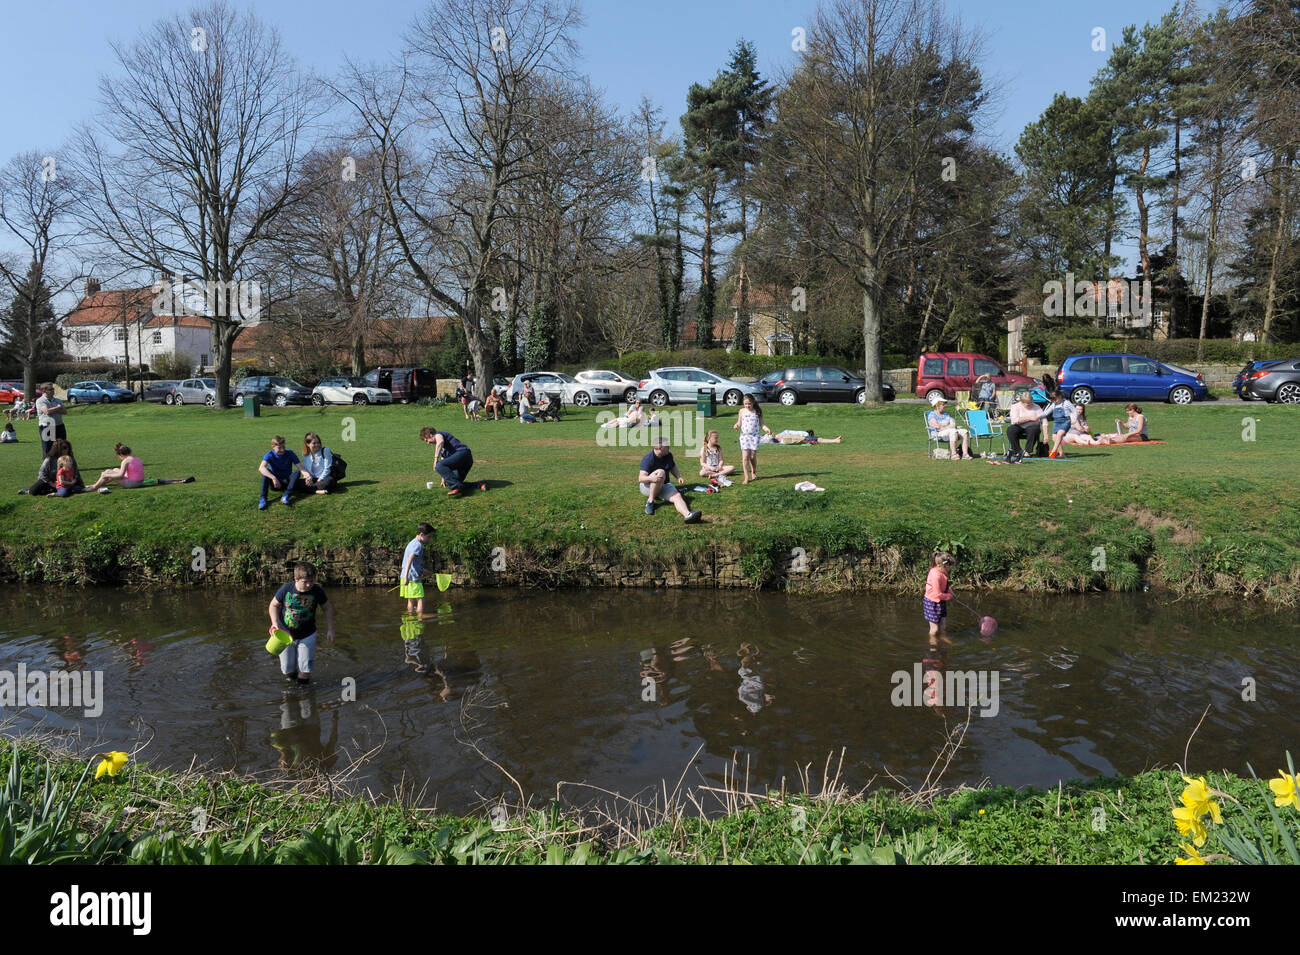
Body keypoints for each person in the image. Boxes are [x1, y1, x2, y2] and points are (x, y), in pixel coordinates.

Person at [269, 561, 335, 685]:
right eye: (305, 582)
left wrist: (330, 629)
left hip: (307, 635)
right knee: (287, 670)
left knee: (305, 671)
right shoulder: (286, 589)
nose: (309, 584)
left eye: (312, 581)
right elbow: (273, 605)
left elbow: (327, 607)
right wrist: (274, 623)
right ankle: (292, 689)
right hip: (285, 635)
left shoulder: (317, 591)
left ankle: (305, 695)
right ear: (296, 579)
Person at [638, 437, 702, 523]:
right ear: (660, 448)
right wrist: (651, 478)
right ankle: (650, 502)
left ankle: (688, 515)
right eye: (667, 446)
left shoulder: (668, 455)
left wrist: (678, 477)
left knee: (677, 496)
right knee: (661, 472)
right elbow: (640, 478)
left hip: (663, 485)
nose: (669, 447)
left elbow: (672, 466)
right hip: (647, 487)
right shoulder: (648, 458)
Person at [87, 441, 193, 492]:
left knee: (107, 472)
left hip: (132, 484)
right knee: (112, 470)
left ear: (121, 455)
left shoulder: (125, 461)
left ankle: (94, 487)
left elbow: (120, 476)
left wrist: (105, 474)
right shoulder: (136, 458)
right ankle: (97, 484)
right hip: (139, 481)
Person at [419, 426, 486, 496]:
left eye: (426, 440)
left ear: (430, 435)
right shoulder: (442, 449)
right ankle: (479, 485)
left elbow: (440, 441)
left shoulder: (438, 434)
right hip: (465, 461)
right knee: (454, 481)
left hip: (462, 453)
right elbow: (444, 461)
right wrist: (444, 478)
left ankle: (456, 486)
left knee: (438, 465)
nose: (427, 443)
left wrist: (435, 459)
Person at [18, 439, 82, 496]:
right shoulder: (49, 459)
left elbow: (76, 472)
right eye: (64, 447)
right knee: (33, 491)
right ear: (58, 449)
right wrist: (51, 483)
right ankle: (28, 491)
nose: (67, 449)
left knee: (77, 489)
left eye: (68, 447)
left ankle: (57, 491)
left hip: (66, 482)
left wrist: (77, 482)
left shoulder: (70, 458)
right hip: (49, 482)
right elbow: (42, 473)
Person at [733, 393, 772, 484]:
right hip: (744, 436)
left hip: (754, 437)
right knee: (745, 457)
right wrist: (736, 425)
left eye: (749, 404)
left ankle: (754, 471)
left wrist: (767, 429)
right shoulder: (742, 411)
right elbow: (739, 422)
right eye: (745, 404)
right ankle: (746, 477)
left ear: (753, 402)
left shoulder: (757, 411)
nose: (747, 406)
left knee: (752, 456)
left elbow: (762, 424)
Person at [258, 434, 301, 509]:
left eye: (283, 447)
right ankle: (263, 499)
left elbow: (300, 467)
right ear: (273, 447)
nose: (282, 450)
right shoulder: (269, 455)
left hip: (287, 483)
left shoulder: (290, 453)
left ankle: (286, 495)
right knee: (265, 472)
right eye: (279, 448)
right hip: (275, 484)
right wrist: (274, 478)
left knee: (297, 472)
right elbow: (261, 468)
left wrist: (307, 475)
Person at [924, 550, 956, 648]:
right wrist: (949, 597)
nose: (949, 570)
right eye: (948, 567)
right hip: (932, 602)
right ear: (940, 566)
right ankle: (933, 646)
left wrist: (950, 592)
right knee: (934, 629)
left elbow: (944, 586)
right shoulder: (935, 575)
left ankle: (943, 638)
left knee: (943, 626)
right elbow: (937, 594)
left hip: (941, 600)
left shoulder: (942, 572)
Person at [401, 522, 433, 615]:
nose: (429, 539)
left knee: (411, 600)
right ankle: (420, 618)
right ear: (422, 535)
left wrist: (423, 571)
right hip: (412, 579)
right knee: (421, 599)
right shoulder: (418, 545)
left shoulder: (412, 542)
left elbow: (414, 564)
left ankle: (410, 617)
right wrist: (407, 577)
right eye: (429, 537)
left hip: (406, 576)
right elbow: (409, 560)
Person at [1035, 390, 1077, 458]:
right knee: (1055, 438)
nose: (1054, 401)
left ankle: (1053, 451)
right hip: (1056, 422)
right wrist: (1037, 416)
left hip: (1065, 421)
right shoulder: (1054, 404)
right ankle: (1062, 454)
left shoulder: (1066, 403)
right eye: (1053, 400)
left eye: (1055, 399)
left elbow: (1074, 411)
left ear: (1060, 396)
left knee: (1060, 434)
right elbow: (1046, 413)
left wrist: (1074, 419)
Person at [1005, 391, 1043, 461]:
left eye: (1031, 403)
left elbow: (1044, 419)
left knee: (1034, 429)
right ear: (1022, 402)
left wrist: (1046, 435)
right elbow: (1014, 420)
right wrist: (1029, 418)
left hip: (1032, 426)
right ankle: (1018, 451)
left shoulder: (1037, 407)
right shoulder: (1015, 407)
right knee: (1011, 430)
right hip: (1019, 426)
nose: (1030, 405)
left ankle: (1027, 452)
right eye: (1027, 404)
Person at [35, 383, 67, 458]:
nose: (53, 391)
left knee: (62, 447)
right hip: (47, 427)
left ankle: (61, 465)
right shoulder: (40, 401)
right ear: (44, 391)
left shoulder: (57, 400)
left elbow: (65, 412)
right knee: (48, 448)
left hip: (59, 426)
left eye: (53, 389)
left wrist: (54, 409)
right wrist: (58, 408)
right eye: (50, 389)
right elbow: (47, 412)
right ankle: (47, 467)